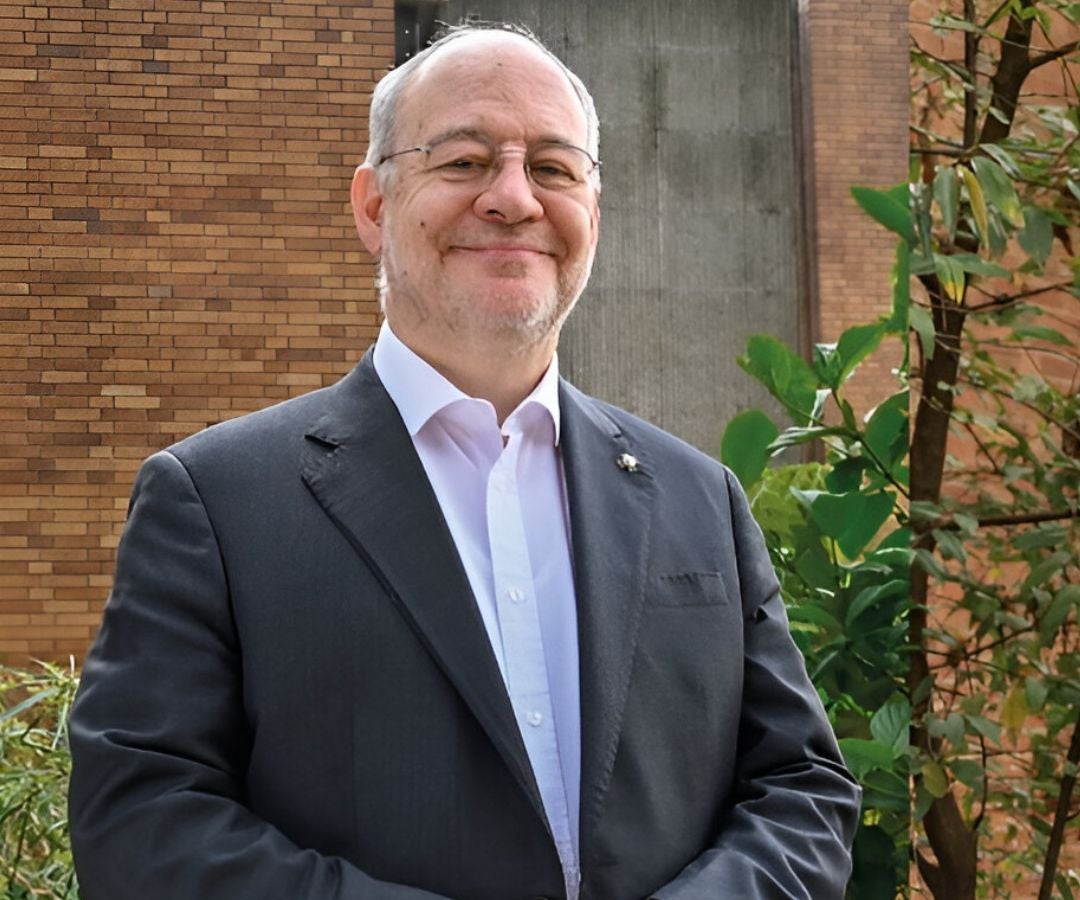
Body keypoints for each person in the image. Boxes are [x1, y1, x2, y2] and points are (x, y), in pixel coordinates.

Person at [68, 23, 860, 900]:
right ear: (373, 206)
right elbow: (141, 820)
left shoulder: (699, 496)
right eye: (465, 162)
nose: (514, 198)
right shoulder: (215, 503)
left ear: (592, 216)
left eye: (554, 168)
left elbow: (803, 790)